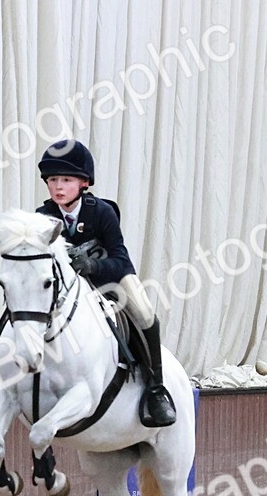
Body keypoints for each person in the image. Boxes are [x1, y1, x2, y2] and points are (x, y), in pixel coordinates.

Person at [35, 139, 176, 427]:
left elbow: (120, 258)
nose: (58, 187)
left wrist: (94, 265)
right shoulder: (42, 217)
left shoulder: (101, 212)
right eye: (52, 180)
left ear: (84, 182)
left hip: (109, 279)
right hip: (66, 291)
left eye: (66, 180)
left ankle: (156, 389)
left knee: (147, 315)